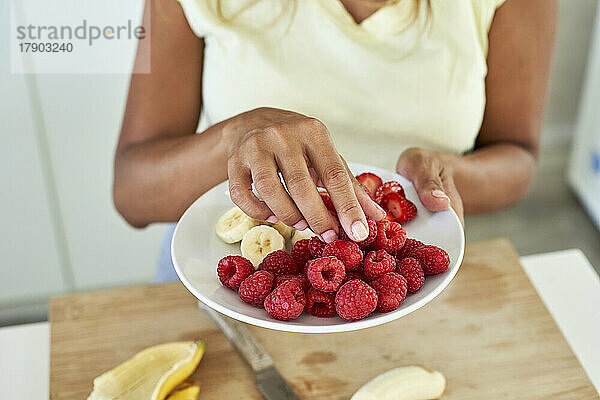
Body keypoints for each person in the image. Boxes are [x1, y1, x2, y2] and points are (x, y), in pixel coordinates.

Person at [113, 0, 557, 281]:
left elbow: (518, 155)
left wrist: (445, 175)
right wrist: (234, 139)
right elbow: (131, 191)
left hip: (402, 285)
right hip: (218, 278)